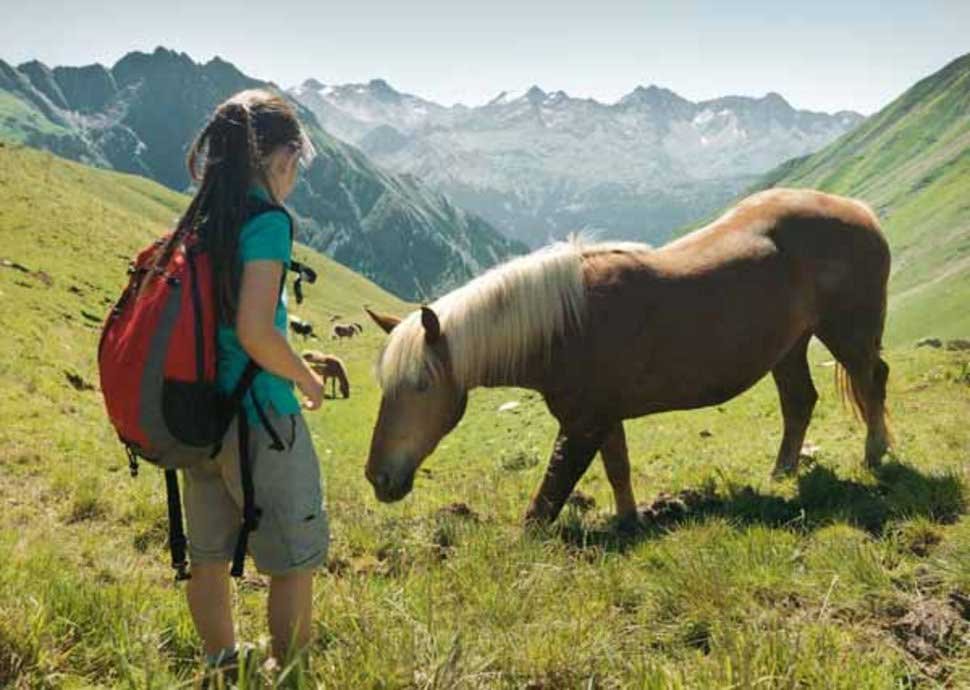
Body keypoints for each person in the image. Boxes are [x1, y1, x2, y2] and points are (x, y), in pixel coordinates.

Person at [174, 88, 329, 675]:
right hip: (262, 415)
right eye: (297, 161)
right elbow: (257, 332)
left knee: (208, 554)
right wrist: (309, 380)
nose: (295, 175)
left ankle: (220, 661)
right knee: (291, 560)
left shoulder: (204, 216)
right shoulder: (266, 222)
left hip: (200, 415)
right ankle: (288, 673)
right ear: (281, 156)